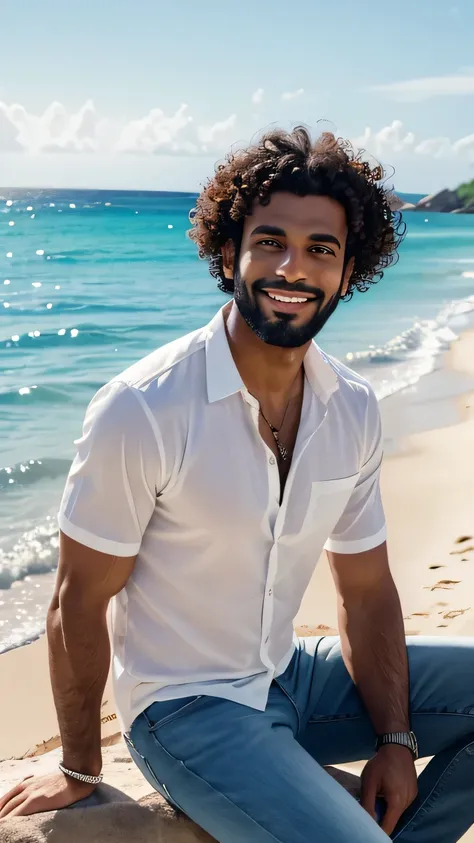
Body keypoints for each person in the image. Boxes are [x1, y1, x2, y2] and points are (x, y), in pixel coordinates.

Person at [1, 128, 473, 843]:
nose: (293, 267)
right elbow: (77, 599)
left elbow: (367, 588)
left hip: (293, 675)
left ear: (348, 272)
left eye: (321, 249)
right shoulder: (145, 406)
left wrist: (398, 739)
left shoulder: (351, 406)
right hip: (186, 711)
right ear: (230, 252)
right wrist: (79, 763)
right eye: (270, 241)